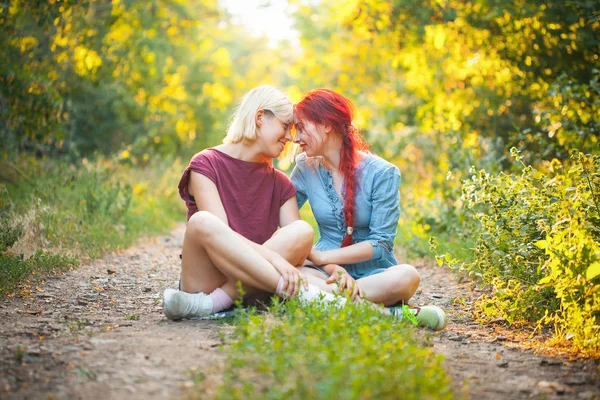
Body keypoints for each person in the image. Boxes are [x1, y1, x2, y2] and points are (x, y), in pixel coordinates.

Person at [163, 85, 345, 320]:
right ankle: (306, 295)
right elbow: (221, 240)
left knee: (301, 230)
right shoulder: (206, 164)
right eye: (284, 126)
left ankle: (211, 304)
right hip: (208, 278)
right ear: (260, 117)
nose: (290, 137)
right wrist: (276, 259)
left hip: (255, 282)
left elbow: (299, 247)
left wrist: (332, 269)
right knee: (202, 222)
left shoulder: (279, 183)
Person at [291, 88, 446, 330]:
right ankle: (390, 314)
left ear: (325, 125)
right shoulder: (304, 168)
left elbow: (381, 244)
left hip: (374, 275)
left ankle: (325, 301)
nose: (295, 138)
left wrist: (324, 256)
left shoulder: (382, 173)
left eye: (301, 128)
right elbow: (282, 216)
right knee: (291, 275)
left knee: (407, 276)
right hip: (325, 273)